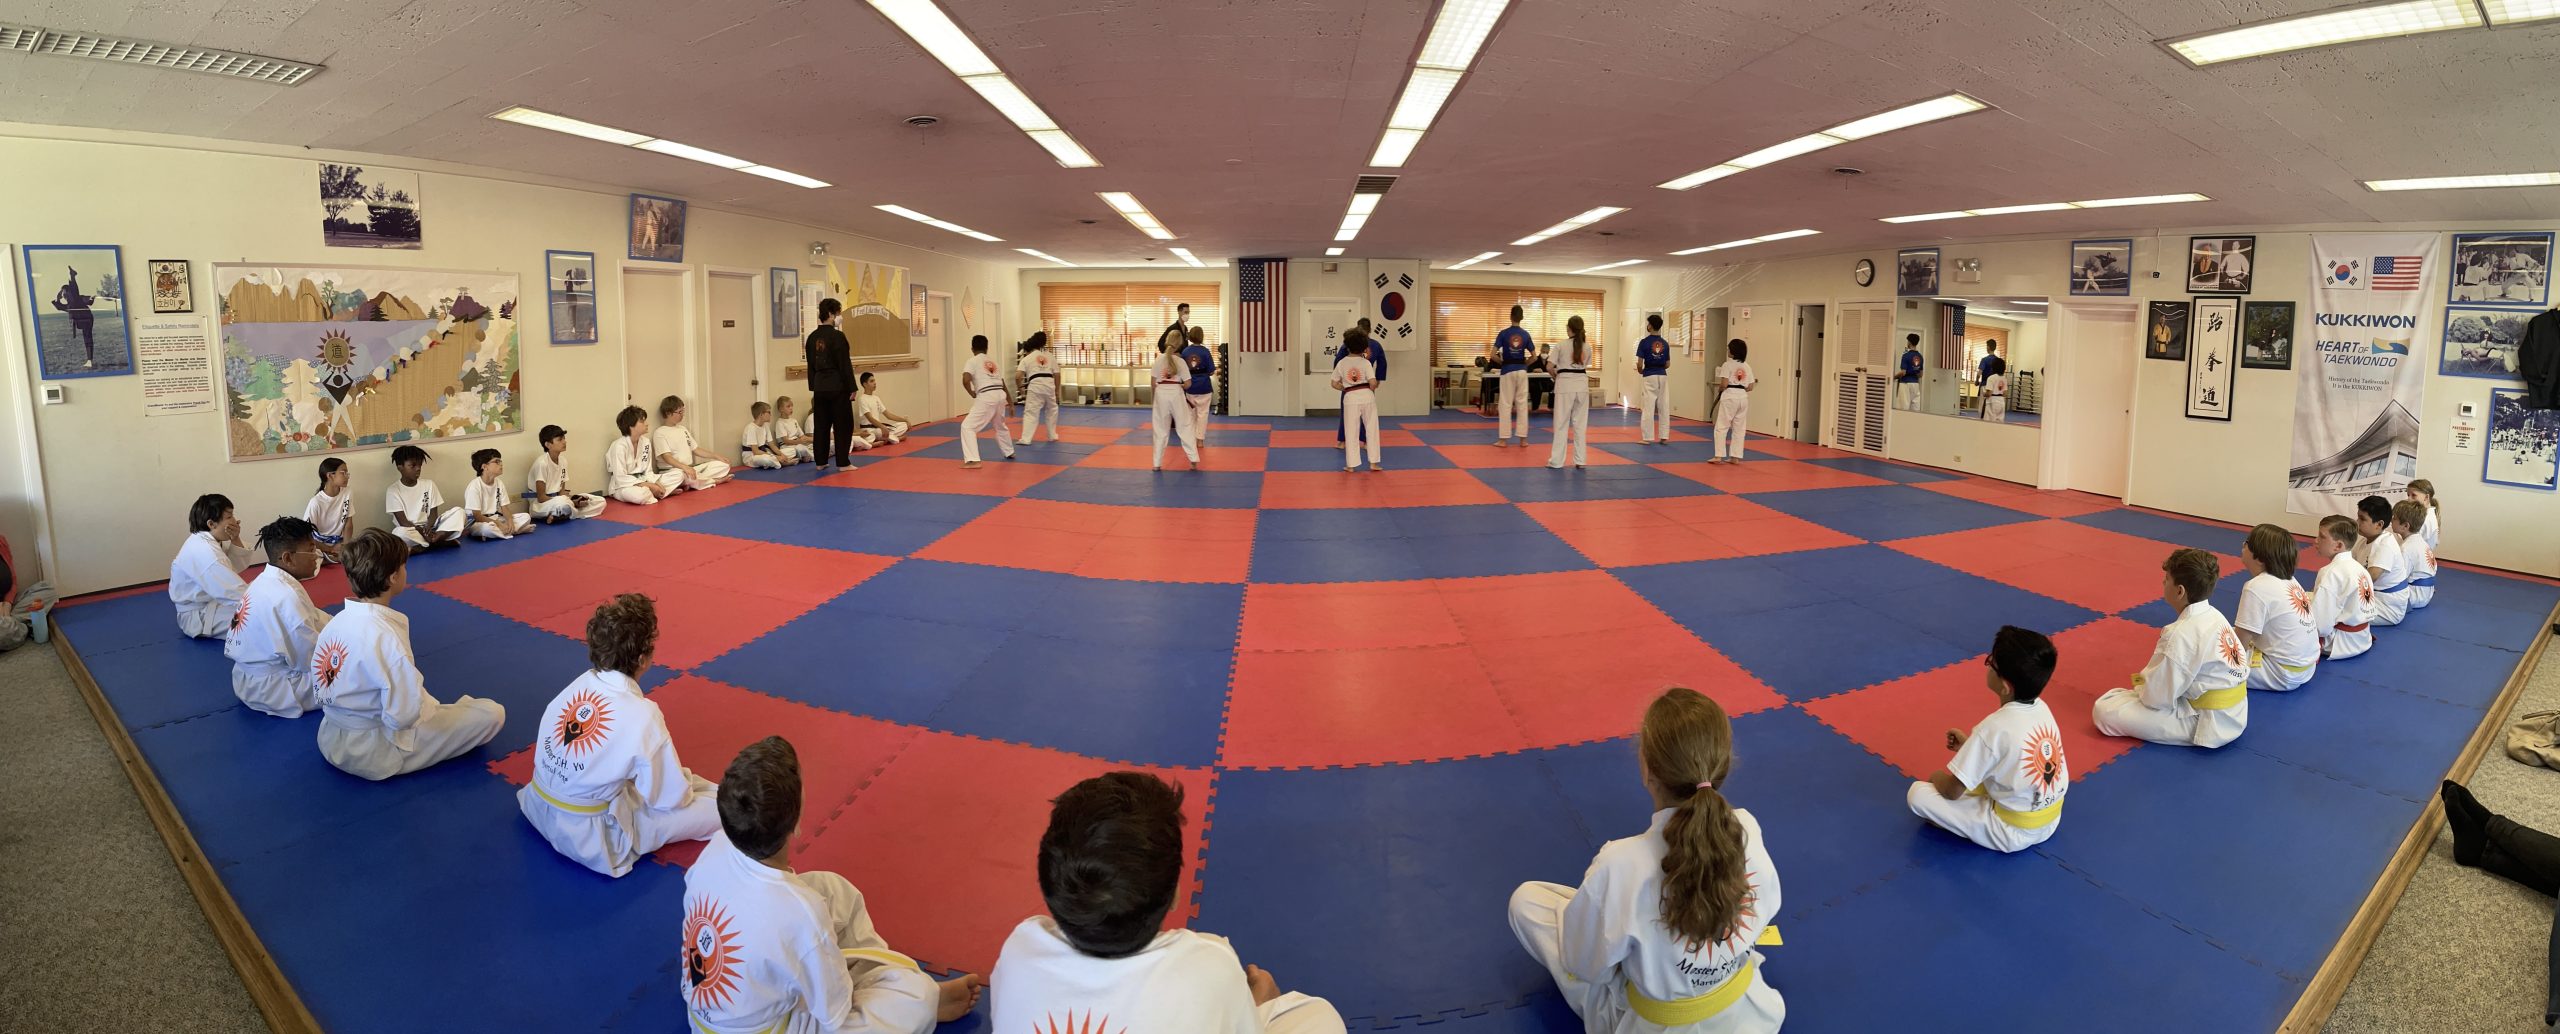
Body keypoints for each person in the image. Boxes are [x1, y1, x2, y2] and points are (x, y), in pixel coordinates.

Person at [1508, 687, 1783, 1033]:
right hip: (1751, 1016)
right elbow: (1766, 911)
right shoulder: (1745, 828)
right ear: (1723, 764)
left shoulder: (1620, 863)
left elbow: (1583, 965)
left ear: (1647, 769)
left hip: (1654, 1025)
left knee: (1527, 902)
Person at [990, 771, 1344, 1034]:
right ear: (1175, 893)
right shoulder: (1211, 961)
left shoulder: (1020, 946)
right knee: (1318, 1016)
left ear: (1048, 891)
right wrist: (1257, 1004)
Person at [681, 736, 984, 1033]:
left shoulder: (717, 846)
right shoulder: (800, 913)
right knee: (918, 997)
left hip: (707, 1014)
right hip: (770, 1028)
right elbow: (833, 1016)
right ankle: (906, 996)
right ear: (796, 821)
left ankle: (873, 974)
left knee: (834, 890)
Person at [519, 594, 722, 878]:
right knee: (724, 812)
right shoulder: (643, 714)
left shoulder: (578, 684)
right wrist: (682, 788)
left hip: (538, 805)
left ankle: (707, 789)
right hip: (591, 837)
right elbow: (669, 800)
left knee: (679, 780)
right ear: (643, 659)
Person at [310, 529, 505, 780]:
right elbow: (402, 717)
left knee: (431, 703)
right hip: (374, 752)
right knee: (492, 713)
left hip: (331, 738)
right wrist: (428, 712)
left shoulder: (336, 622)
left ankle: (452, 712)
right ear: (393, 577)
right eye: (404, 567)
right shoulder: (385, 637)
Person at [1909, 626, 2066, 853]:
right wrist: (1969, 748)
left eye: (1991, 664)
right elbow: (2013, 756)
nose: (1988, 667)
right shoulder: (2042, 709)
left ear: (2004, 687)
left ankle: (1961, 826)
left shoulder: (1992, 728)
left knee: (1918, 794)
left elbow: (1951, 791)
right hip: (2050, 821)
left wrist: (1936, 777)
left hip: (2011, 832)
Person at [2092, 548, 2248, 748]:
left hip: (2206, 723)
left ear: (2180, 591)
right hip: (2235, 712)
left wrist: (2142, 688)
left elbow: (2156, 699)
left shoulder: (2180, 633)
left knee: (2105, 711)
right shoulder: (2215, 615)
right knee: (2133, 693)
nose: (2163, 583)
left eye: (2167, 579)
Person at [227, 517, 330, 718]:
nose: (316, 555)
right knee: (359, 675)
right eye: (310, 550)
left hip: (245, 679)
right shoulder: (286, 597)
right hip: (274, 690)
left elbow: (314, 616)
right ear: (288, 558)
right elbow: (308, 661)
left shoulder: (266, 580)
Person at [2235, 524, 2317, 692]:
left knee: (2209, 660)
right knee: (2225, 632)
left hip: (2279, 672)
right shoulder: (2290, 580)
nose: (2243, 546)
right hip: (2307, 668)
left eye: (2247, 543)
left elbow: (2239, 645)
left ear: (2259, 558)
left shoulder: (2255, 587)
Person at [171, 493, 258, 638]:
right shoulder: (204, 550)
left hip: (214, 603)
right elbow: (232, 591)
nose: (235, 521)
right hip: (200, 616)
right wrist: (267, 604)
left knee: (262, 586)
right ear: (211, 524)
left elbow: (231, 568)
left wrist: (235, 538)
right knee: (262, 620)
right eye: (229, 517)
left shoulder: (210, 541)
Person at [2309, 515, 2377, 661]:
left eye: (2322, 537)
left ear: (2338, 546)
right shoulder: (2360, 568)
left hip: (2338, 644)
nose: (2316, 540)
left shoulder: (2330, 572)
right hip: (2362, 638)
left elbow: (2321, 627)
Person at [806, 298, 860, 472]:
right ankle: (843, 462)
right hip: (837, 386)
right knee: (842, 424)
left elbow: (811, 364)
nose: (839, 317)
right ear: (830, 314)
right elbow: (844, 364)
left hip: (820, 386)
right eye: (838, 313)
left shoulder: (811, 337)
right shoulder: (837, 336)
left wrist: (814, 386)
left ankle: (820, 461)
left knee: (821, 424)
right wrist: (852, 387)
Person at [385, 445, 465, 550]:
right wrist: (422, 532)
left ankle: (426, 544)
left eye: (420, 465)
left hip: (431, 528)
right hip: (412, 530)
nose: (418, 468)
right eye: (412, 466)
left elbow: (433, 514)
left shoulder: (429, 484)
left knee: (459, 512)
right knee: (399, 533)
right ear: (400, 468)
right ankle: (438, 542)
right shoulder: (393, 490)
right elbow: (403, 522)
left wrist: (428, 528)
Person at [958, 335, 1017, 467]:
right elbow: (1002, 383)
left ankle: (973, 460)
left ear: (972, 349)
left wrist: (971, 392)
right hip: (1000, 395)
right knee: (999, 425)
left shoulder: (972, 361)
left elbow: (965, 379)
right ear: (987, 348)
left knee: (967, 427)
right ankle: (1009, 451)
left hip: (987, 396)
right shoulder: (993, 362)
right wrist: (1011, 403)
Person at [607, 405, 684, 505]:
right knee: (641, 494)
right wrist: (649, 485)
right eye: (642, 421)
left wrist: (656, 483)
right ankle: (661, 492)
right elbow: (620, 477)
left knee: (679, 474)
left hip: (644, 479)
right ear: (631, 425)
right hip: (623, 486)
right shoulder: (618, 446)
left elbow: (648, 471)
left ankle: (659, 491)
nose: (647, 424)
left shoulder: (646, 442)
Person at [530, 424, 607, 522]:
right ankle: (564, 512)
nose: (564, 442)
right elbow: (541, 498)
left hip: (559, 500)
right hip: (541, 505)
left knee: (599, 501)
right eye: (560, 440)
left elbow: (562, 492)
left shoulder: (563, 461)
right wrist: (568, 501)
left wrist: (576, 500)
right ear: (548, 445)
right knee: (563, 502)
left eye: (564, 439)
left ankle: (561, 514)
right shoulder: (542, 463)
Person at [653, 396, 731, 490]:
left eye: (683, 411)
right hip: (672, 471)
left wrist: (716, 456)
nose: (682, 415)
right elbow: (667, 457)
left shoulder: (683, 429)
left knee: (723, 465)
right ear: (668, 413)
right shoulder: (660, 432)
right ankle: (715, 481)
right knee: (680, 476)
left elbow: (696, 449)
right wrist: (684, 468)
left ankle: (693, 483)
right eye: (679, 412)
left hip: (690, 469)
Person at [2358, 495, 2413, 627]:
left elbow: (2370, 578)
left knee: (2340, 613)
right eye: (2358, 517)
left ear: (2379, 524)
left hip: (2389, 607)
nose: (2357, 522)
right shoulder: (2363, 541)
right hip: (2374, 597)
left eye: (2362, 519)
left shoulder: (2385, 545)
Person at [1150, 328, 1200, 472]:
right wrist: (1180, 385)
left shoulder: (1158, 360)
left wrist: (1158, 397)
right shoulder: (1181, 362)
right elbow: (1188, 384)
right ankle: (1193, 460)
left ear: (1167, 342)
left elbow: (1153, 383)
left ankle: (1156, 463)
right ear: (1180, 344)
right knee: (1184, 426)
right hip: (1176, 393)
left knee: (1160, 429)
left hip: (1161, 394)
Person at [1334, 327, 1383, 473]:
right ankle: (1374, 464)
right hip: (1367, 396)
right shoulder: (1366, 363)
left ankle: (1351, 465)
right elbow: (1373, 382)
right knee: (1372, 429)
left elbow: (1334, 383)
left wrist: (1345, 388)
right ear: (1363, 346)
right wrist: (1369, 387)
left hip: (1350, 398)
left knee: (1351, 430)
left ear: (1347, 345)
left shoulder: (1342, 363)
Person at [1547, 315, 1593, 470]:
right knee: (1580, 425)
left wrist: (1556, 377)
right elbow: (1585, 364)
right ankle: (1580, 460)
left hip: (1565, 384)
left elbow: (1549, 366)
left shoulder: (1561, 345)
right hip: (1581, 385)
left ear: (1569, 328)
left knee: (1561, 424)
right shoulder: (1587, 347)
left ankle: (1557, 461)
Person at [462, 448, 536, 540]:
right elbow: (477, 516)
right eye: (497, 462)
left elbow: (505, 508)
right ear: (485, 467)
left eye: (500, 461)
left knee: (526, 517)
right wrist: (499, 524)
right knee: (487, 528)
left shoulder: (499, 483)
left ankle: (504, 531)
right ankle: (514, 531)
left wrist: (510, 521)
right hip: (479, 522)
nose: (501, 464)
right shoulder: (474, 486)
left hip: (497, 518)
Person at [1492, 306, 1534, 446]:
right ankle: (1523, 439)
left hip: (1507, 370)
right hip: (1522, 371)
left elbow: (1492, 355)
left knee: (1505, 404)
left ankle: (1503, 440)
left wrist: (1503, 362)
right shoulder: (1526, 334)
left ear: (1511, 317)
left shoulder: (1503, 333)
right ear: (1521, 318)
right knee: (1522, 404)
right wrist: (1525, 364)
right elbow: (1534, 357)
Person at [1711, 339, 1755, 464]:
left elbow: (1724, 384)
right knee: (1739, 428)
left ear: (1733, 350)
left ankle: (1718, 456)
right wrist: (1740, 388)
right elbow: (1751, 387)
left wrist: (1720, 390)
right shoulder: (1747, 366)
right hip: (1743, 398)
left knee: (1722, 426)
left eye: (1729, 348)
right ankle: (1735, 457)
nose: (1727, 350)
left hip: (1730, 396)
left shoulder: (1727, 364)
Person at [303, 458, 353, 563]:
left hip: (340, 542)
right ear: (330, 475)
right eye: (343, 473)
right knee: (311, 565)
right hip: (319, 544)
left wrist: (346, 546)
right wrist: (330, 549)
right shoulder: (316, 502)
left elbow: (348, 522)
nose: (347, 476)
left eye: (347, 473)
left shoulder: (347, 492)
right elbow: (306, 535)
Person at [1017, 331, 1062, 443]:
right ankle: (1052, 435)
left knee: (1031, 412)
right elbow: (1057, 374)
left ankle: (1026, 439)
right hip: (1049, 384)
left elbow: (1018, 377)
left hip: (1035, 385)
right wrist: (1057, 391)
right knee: (1052, 409)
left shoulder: (1027, 358)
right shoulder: (1050, 356)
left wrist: (1021, 391)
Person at [1635, 315, 1672, 444]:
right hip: (1662, 375)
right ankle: (1664, 436)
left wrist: (1641, 371)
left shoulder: (1644, 342)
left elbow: (1640, 363)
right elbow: (1668, 364)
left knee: (1648, 406)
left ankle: (1647, 437)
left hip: (1649, 374)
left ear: (1650, 325)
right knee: (1664, 405)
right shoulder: (1665, 344)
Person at [2401, 484, 2439, 609]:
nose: (2409, 499)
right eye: (2408, 495)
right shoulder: (2428, 518)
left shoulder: (2425, 521)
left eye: (2413, 495)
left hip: (2416, 589)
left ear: (2426, 497)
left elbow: (2400, 576)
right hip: (2422, 584)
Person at [52, 267, 98, 368]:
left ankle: (90, 360)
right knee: (87, 338)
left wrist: (91, 298)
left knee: (87, 338)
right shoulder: (68, 306)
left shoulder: (77, 298)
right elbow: (58, 307)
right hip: (80, 320)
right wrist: (57, 297)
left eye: (64, 293)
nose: (63, 295)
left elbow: (86, 300)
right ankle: (72, 276)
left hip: (86, 319)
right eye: (63, 294)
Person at [1183, 326, 1217, 448]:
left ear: (1190, 336)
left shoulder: (1185, 352)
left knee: (1191, 415)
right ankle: (1200, 440)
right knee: (1203, 414)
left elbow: (1182, 371)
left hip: (1190, 386)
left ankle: (1191, 439)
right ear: (1201, 337)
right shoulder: (1205, 351)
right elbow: (1212, 371)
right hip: (1204, 387)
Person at [857, 372, 909, 446]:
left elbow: (888, 415)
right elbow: (870, 418)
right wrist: (882, 427)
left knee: (904, 425)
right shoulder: (862, 399)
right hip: (870, 429)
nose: (875, 383)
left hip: (879, 427)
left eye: (874, 381)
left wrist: (905, 420)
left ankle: (885, 438)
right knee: (879, 432)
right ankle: (896, 438)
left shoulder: (876, 398)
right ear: (865, 384)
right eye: (871, 381)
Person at [739, 402, 793, 470]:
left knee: (789, 451)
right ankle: (783, 463)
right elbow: (756, 451)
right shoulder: (751, 428)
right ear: (761, 414)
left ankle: (780, 461)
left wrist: (782, 454)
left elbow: (772, 445)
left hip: (764, 452)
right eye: (769, 412)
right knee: (766, 459)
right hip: (752, 456)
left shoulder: (766, 426)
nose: (771, 415)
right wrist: (776, 457)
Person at [771, 396, 817, 465]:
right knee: (798, 449)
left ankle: (803, 456)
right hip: (787, 446)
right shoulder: (780, 422)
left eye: (792, 406)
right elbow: (786, 441)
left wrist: (808, 440)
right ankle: (808, 456)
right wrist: (799, 441)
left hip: (798, 444)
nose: (791, 408)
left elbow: (802, 436)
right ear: (781, 409)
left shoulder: (794, 421)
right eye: (788, 406)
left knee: (810, 446)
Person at [1895, 333, 1923, 412]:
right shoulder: (1920, 357)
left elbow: (1903, 372)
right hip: (1915, 385)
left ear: (1909, 342)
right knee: (1915, 410)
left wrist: (1893, 377)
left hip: (1905, 384)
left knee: (1902, 409)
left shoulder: (1906, 355)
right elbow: (1920, 374)